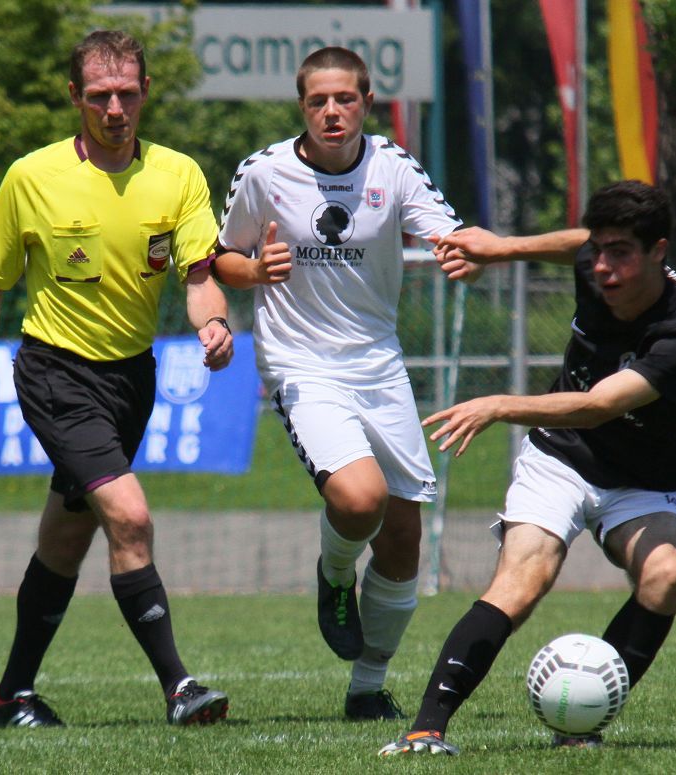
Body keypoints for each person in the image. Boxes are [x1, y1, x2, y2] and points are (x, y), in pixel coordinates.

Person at [0, 30, 234, 729]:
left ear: (145, 93)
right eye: (100, 95)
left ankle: (11, 695)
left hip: (132, 378)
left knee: (66, 539)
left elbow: (200, 276)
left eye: (127, 93)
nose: (114, 108)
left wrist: (214, 324)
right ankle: (179, 687)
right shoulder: (32, 176)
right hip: (56, 373)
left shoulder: (178, 175)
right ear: (75, 96)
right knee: (129, 517)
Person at [379, 180, 676, 756]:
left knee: (665, 573)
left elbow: (599, 405)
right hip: (561, 456)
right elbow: (575, 245)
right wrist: (499, 248)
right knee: (521, 582)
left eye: (620, 253)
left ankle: (580, 725)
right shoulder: (598, 262)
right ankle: (425, 731)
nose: (602, 267)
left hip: (641, 477)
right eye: (599, 250)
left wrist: (499, 405)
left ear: (658, 251)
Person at [213, 46, 464, 720]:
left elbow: (448, 233)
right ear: (302, 106)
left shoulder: (393, 166)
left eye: (344, 99)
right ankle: (333, 575)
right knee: (359, 499)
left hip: (378, 364)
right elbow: (220, 258)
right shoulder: (264, 172)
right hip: (301, 363)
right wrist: (252, 271)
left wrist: (463, 252)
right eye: (318, 101)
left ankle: (367, 687)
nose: (332, 111)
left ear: (366, 103)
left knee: (404, 535)